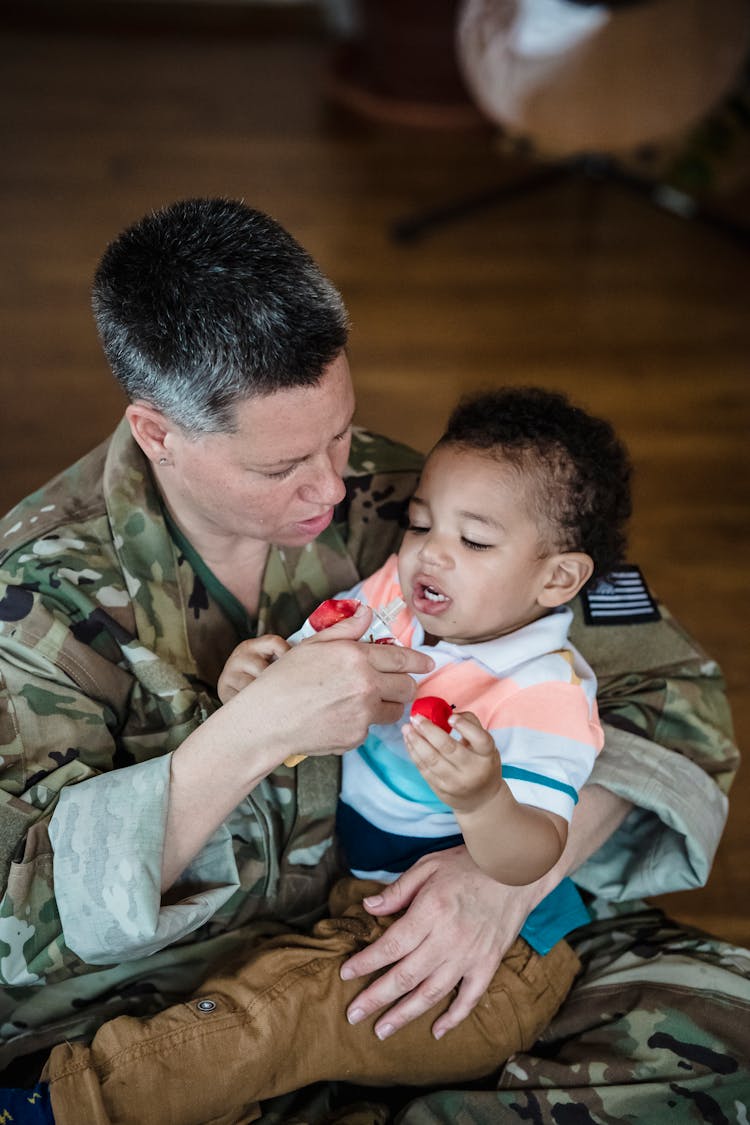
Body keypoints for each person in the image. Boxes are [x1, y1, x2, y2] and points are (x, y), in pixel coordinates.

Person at [0, 198, 746, 1125]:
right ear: (159, 434)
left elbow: (668, 689)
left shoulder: (422, 499)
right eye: (281, 469)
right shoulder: (36, 598)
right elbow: (17, 913)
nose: (332, 487)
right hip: (171, 998)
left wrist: (507, 882)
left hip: (444, 914)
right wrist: (254, 729)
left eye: (340, 432)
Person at [33, 386, 624, 1124]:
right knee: (263, 1003)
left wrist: (483, 801)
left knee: (278, 1011)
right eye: (418, 524)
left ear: (558, 578)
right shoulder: (402, 599)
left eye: (473, 541)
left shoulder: (545, 692)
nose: (429, 553)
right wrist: (252, 680)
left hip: (500, 958)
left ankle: (64, 1103)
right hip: (362, 904)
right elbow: (303, 674)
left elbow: (531, 856)